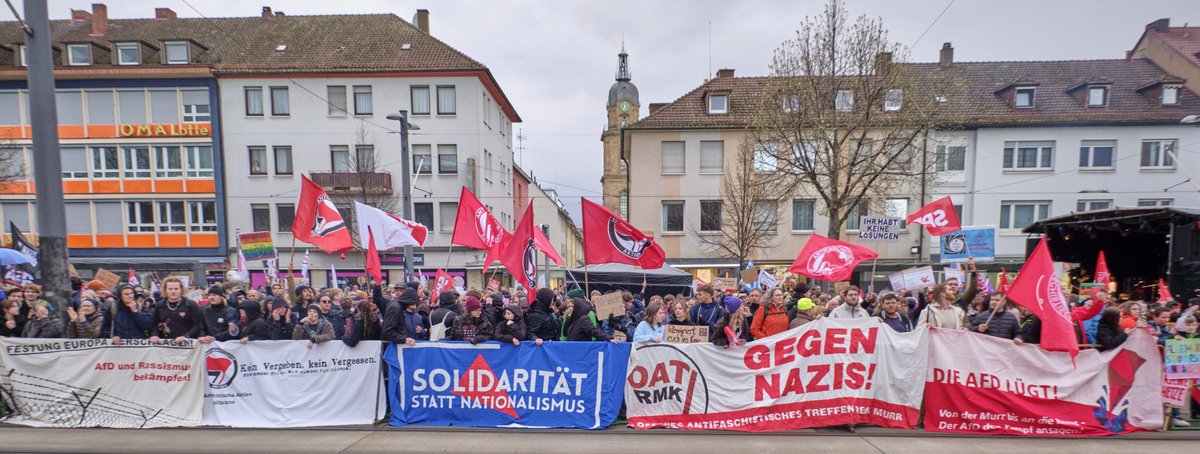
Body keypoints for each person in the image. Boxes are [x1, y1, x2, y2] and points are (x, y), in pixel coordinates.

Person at [149, 277, 203, 343]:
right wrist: (155, 335)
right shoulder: (159, 305)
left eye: (176, 289)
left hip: (187, 344)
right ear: (165, 290)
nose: (173, 291)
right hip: (166, 344)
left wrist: (186, 336)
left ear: (181, 289)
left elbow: (198, 325)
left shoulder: (190, 304)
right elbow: (155, 325)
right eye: (170, 289)